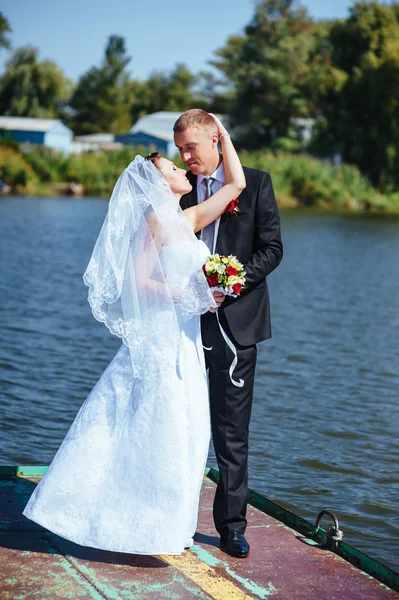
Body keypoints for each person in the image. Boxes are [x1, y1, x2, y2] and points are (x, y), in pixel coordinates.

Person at [22, 115, 245, 556]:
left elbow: (234, 184)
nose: (183, 168)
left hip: (183, 344)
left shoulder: (186, 219)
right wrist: (190, 294)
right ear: (158, 184)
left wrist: (220, 129)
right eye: (172, 167)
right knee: (157, 429)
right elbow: (138, 282)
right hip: (163, 342)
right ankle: (113, 519)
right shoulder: (155, 222)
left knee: (184, 433)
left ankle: (164, 529)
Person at [175, 109, 283, 558]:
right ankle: (171, 517)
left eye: (191, 148)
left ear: (216, 140)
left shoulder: (255, 183)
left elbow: (273, 249)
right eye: (179, 148)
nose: (185, 156)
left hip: (237, 325)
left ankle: (231, 527)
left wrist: (228, 283)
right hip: (183, 324)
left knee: (231, 432)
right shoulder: (176, 191)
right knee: (178, 424)